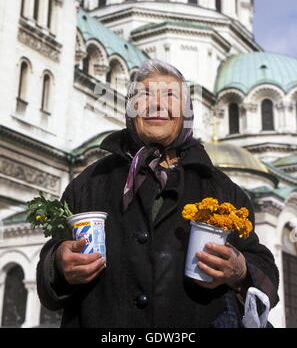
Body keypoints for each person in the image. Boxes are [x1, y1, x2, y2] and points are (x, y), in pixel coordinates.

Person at [37, 59, 279, 328]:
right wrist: (59, 264)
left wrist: (240, 270)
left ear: (186, 112)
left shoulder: (222, 190)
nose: (157, 104)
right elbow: (50, 271)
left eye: (170, 95)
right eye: (145, 95)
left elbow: (264, 267)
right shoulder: (89, 183)